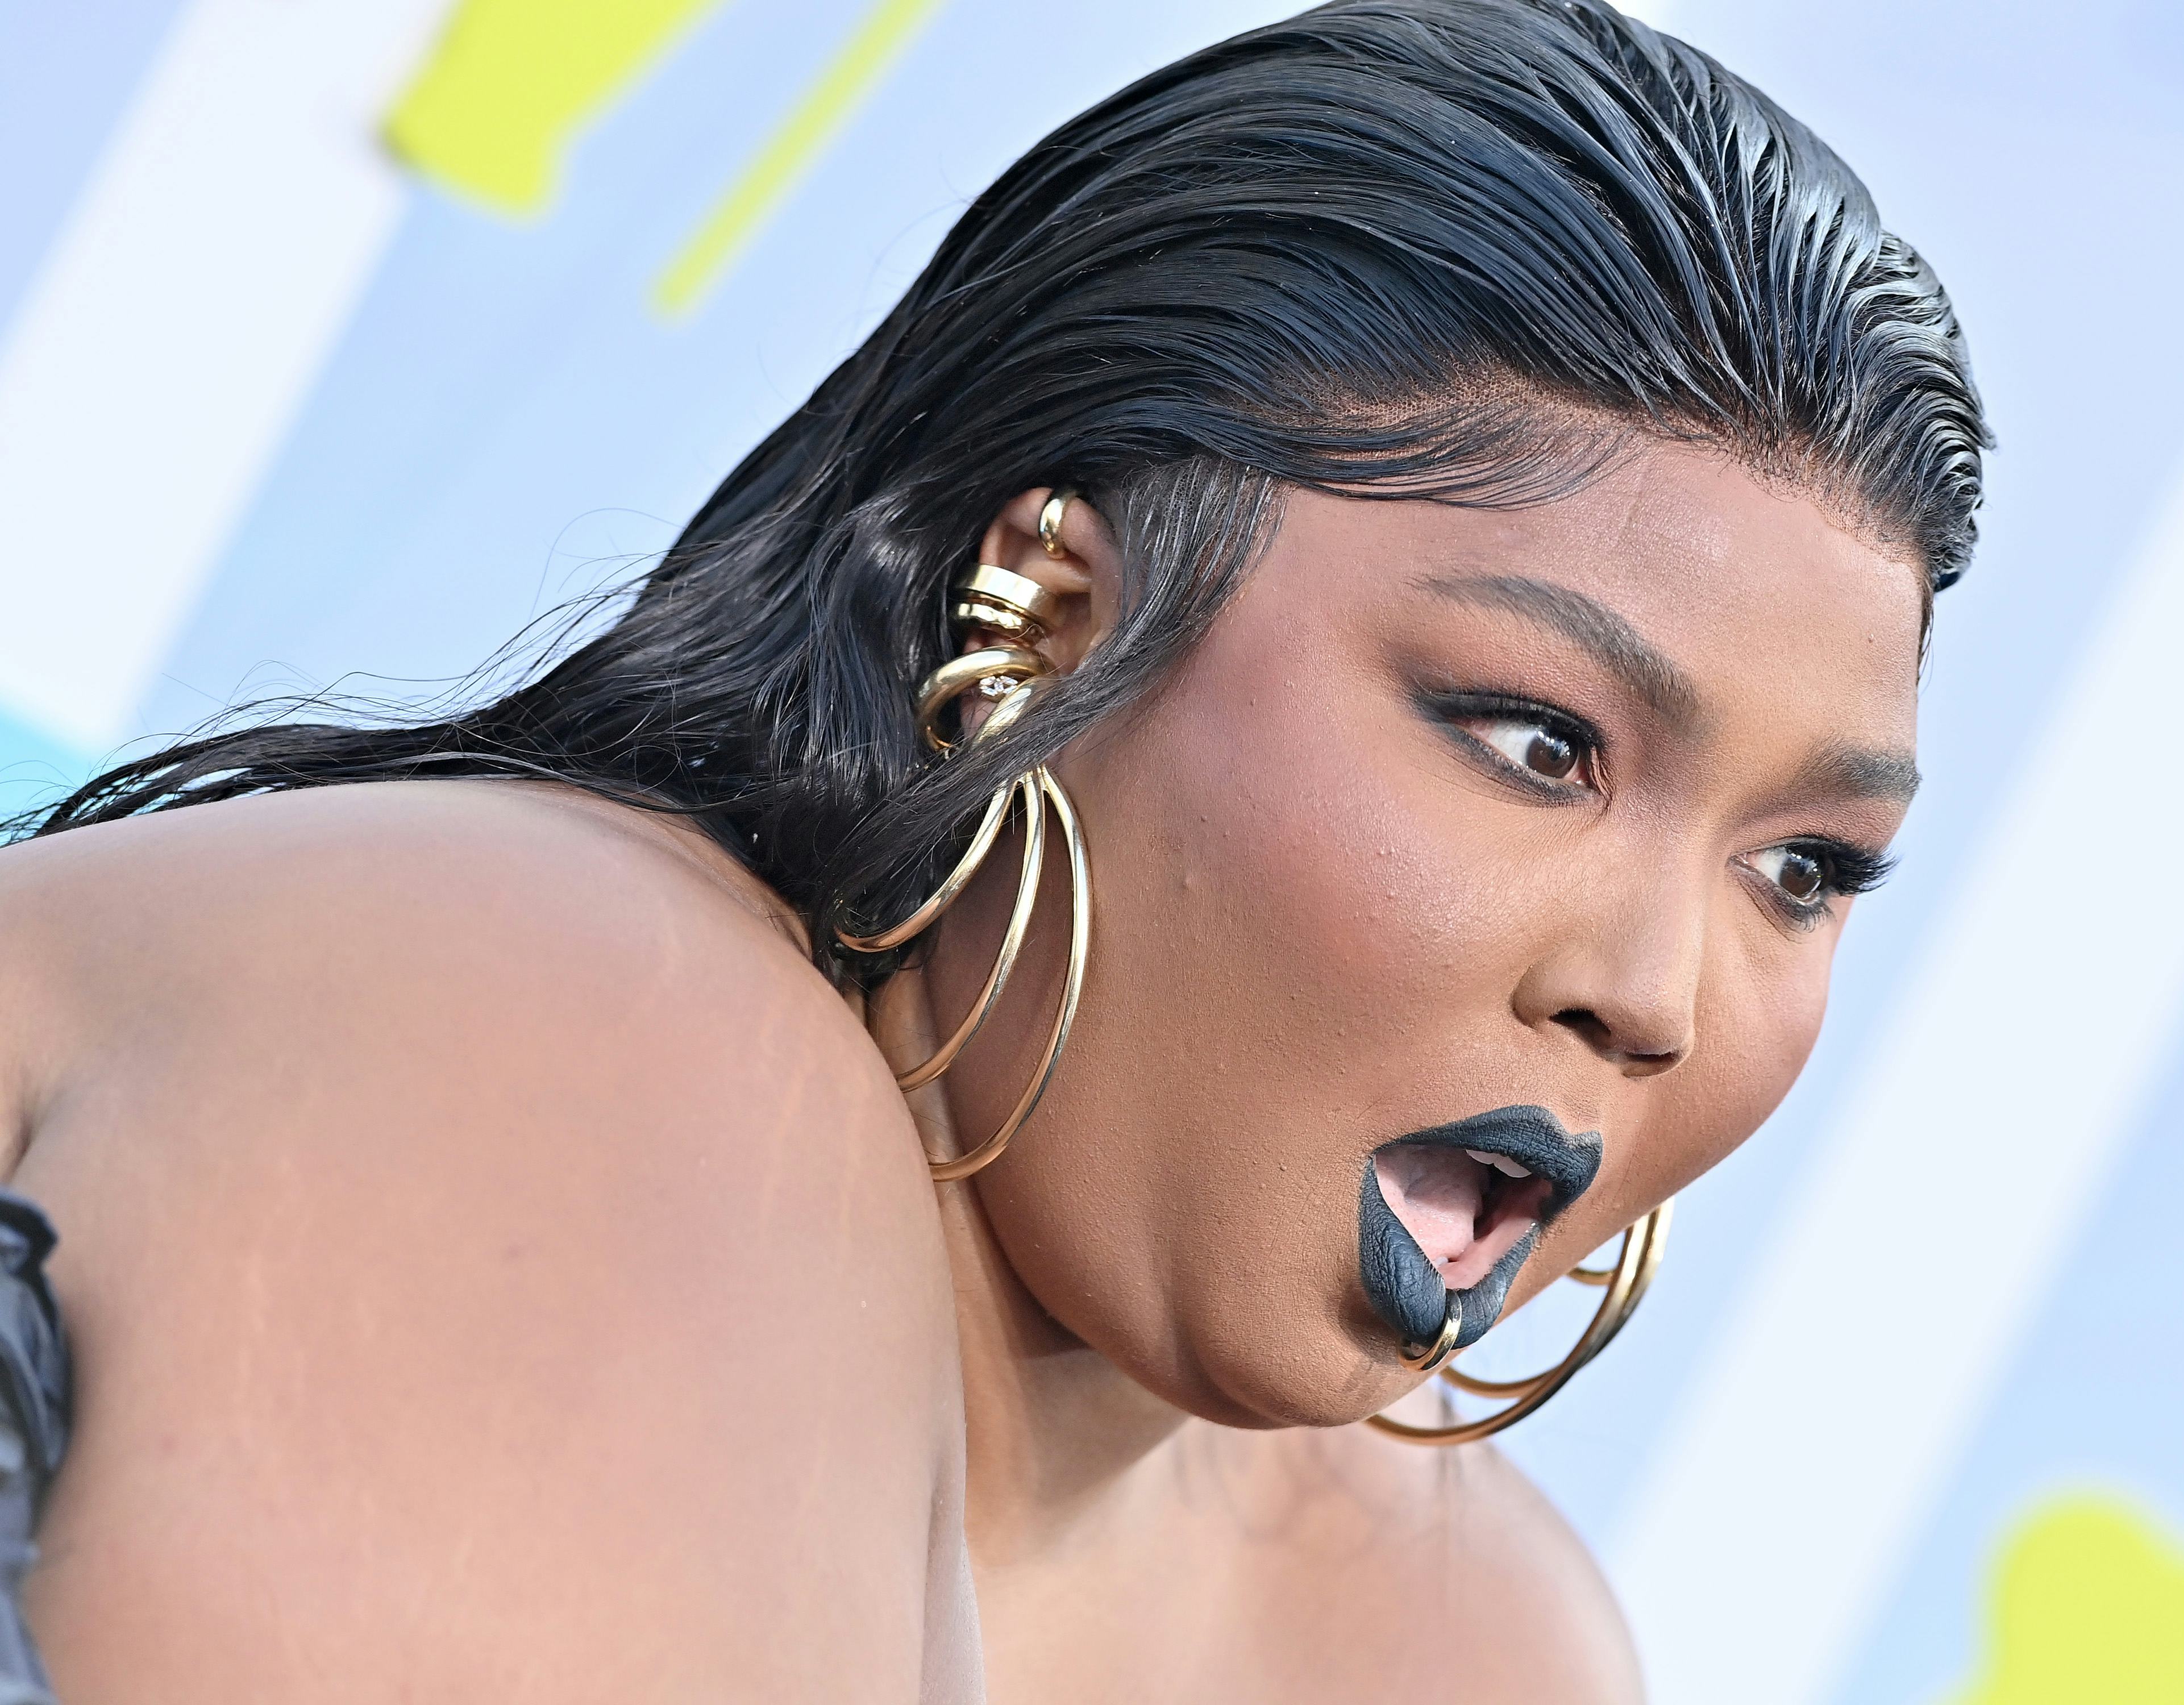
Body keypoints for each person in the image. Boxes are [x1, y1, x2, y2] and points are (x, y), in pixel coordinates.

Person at [0, 0, 1986, 1697]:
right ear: (1044, 615)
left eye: (1801, 869)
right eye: (1538, 743)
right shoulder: (580, 1022)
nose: (1649, 991)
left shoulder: (1469, 1636)